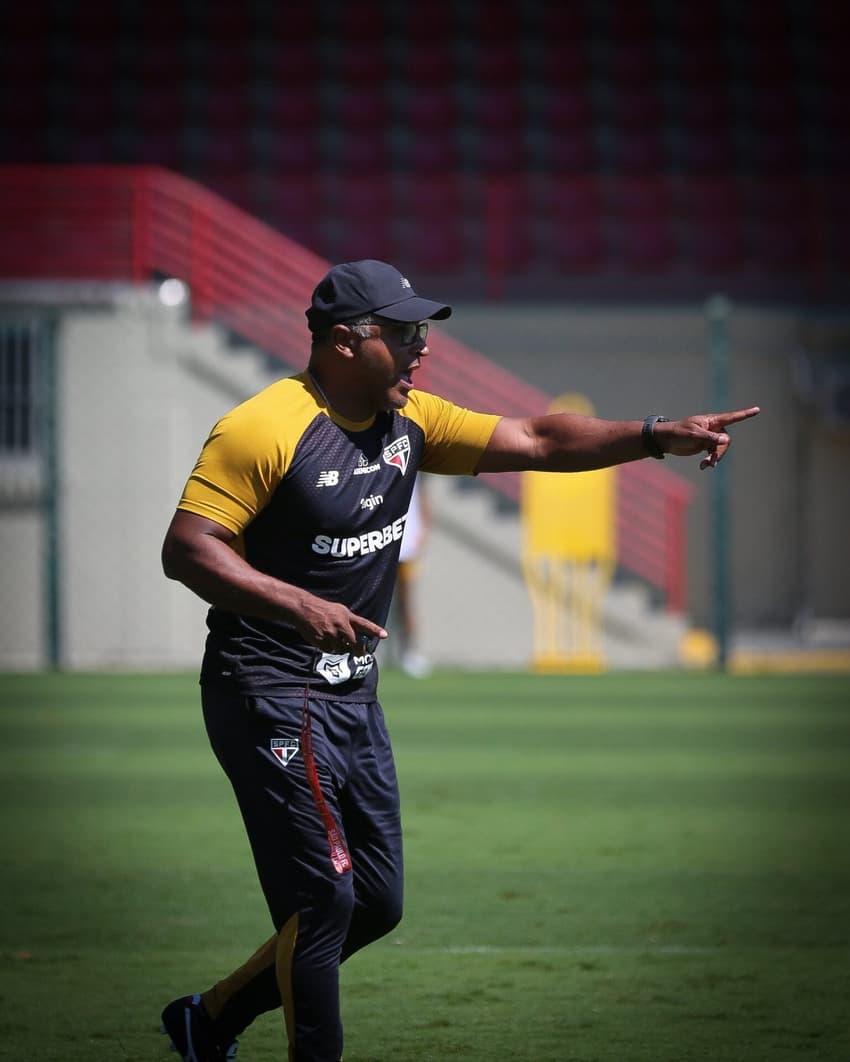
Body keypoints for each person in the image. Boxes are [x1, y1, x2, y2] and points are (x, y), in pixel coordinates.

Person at [159, 259, 759, 1062]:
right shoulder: (263, 427)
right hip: (266, 689)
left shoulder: (411, 423)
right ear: (345, 342)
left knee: (376, 903)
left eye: (424, 332)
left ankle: (212, 1020)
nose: (423, 350)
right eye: (405, 334)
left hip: (352, 698)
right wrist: (299, 606)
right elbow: (187, 549)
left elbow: (538, 439)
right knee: (323, 900)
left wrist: (654, 435)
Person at [392, 477, 432, 676]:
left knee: (406, 602)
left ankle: (410, 651)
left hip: (407, 545)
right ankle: (371, 652)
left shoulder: (415, 471)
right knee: (372, 600)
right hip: (382, 542)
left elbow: (424, 502)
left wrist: (423, 532)